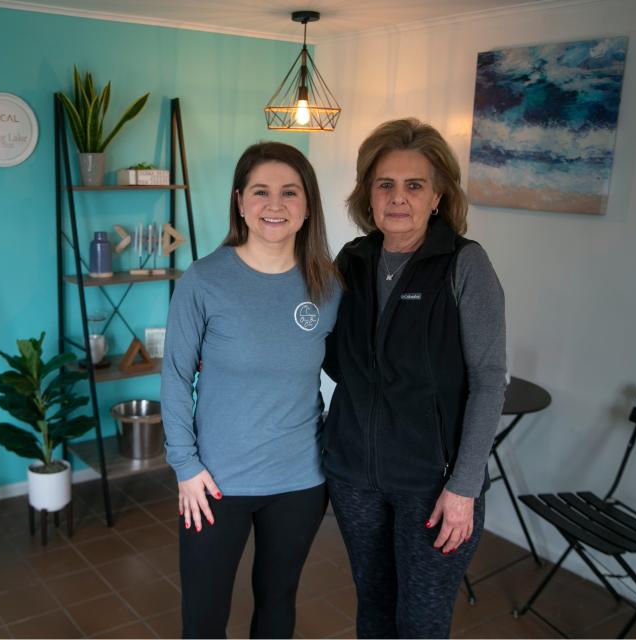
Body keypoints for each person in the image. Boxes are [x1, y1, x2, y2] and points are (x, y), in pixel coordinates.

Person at [322, 118, 507, 638]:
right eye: (385, 184)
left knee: (421, 623)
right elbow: (329, 355)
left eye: (413, 185)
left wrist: (464, 486)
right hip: (355, 476)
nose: (397, 198)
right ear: (368, 194)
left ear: (438, 195)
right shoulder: (352, 262)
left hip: (434, 487)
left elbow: (490, 380)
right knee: (374, 609)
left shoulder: (464, 266)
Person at [161, 141, 341, 639]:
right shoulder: (203, 279)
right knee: (203, 617)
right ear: (240, 202)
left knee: (278, 604)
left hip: (301, 482)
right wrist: (185, 466)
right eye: (261, 192)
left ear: (307, 206)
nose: (275, 205)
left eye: (289, 192)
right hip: (214, 484)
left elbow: (355, 372)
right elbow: (176, 376)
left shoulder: (328, 287)